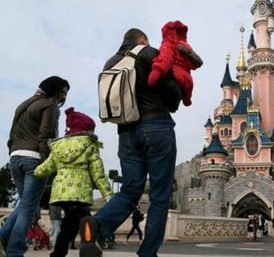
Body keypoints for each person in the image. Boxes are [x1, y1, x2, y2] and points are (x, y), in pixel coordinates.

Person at [79, 28, 184, 257]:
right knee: (159, 195)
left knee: (129, 190)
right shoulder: (148, 53)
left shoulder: (111, 62)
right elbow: (171, 90)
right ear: (142, 39)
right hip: (156, 127)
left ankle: (96, 225)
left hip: (126, 133)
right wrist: (176, 96)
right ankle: (147, 253)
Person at [0, 76, 69, 257]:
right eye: (62, 92)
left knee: (24, 204)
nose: (63, 97)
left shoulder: (23, 104)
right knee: (28, 209)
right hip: (34, 159)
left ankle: (2, 237)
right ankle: (15, 250)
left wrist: (12, 153)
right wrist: (48, 163)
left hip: (16, 157)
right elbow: (46, 136)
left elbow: (12, 134)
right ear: (53, 90)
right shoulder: (49, 106)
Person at [34, 106, 112, 257]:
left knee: (71, 223)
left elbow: (47, 167)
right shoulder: (89, 144)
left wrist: (35, 171)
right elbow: (98, 173)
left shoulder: (58, 146)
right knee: (83, 221)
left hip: (61, 193)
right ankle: (88, 245)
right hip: (80, 193)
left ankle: (60, 252)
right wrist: (108, 194)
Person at [147, 20, 203, 106]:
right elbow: (193, 63)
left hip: (174, 74)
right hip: (187, 78)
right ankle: (187, 99)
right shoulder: (185, 46)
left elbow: (165, 58)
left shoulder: (168, 44)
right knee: (188, 86)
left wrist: (156, 71)